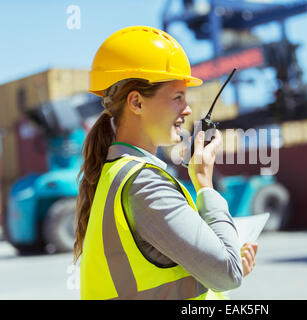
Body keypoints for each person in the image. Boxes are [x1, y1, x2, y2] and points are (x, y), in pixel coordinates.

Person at [73, 25, 258, 300]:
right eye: (177, 97)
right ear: (136, 102)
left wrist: (220, 261)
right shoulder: (144, 184)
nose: (188, 109)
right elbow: (227, 273)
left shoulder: (117, 175)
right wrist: (205, 185)